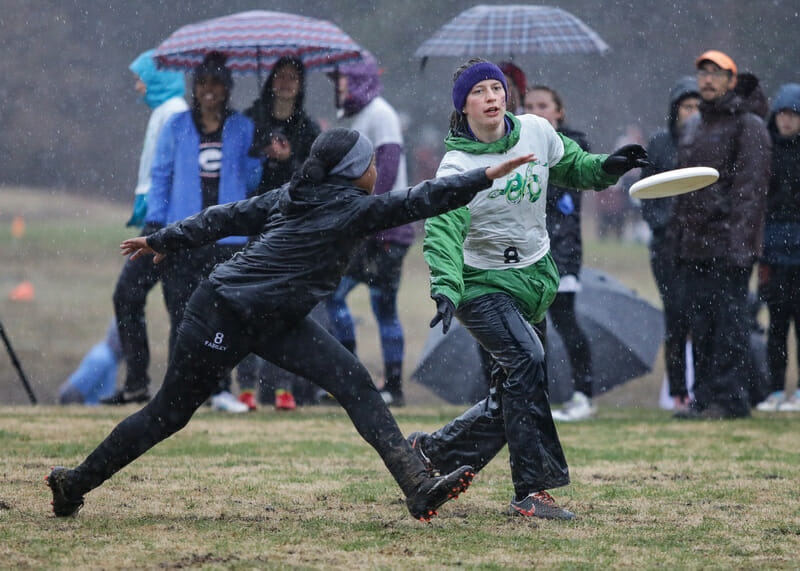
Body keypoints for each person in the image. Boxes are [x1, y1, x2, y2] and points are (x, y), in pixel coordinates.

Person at [45, 127, 536, 521]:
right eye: (369, 164)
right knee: (167, 416)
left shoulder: (301, 195)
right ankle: (74, 483)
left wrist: (166, 238)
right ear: (352, 173)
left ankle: (417, 486)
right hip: (222, 312)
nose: (375, 171)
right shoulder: (347, 208)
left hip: (275, 319)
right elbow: (422, 199)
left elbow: (225, 216)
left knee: (356, 383)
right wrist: (485, 174)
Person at [407, 59, 648, 520]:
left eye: (496, 87)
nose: (492, 97)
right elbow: (442, 231)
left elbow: (574, 166)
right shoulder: (458, 166)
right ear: (463, 106)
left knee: (515, 388)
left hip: (532, 280)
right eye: (478, 91)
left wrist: (609, 166)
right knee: (527, 363)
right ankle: (530, 491)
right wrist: (445, 287)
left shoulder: (537, 131)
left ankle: (430, 450)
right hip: (480, 284)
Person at [106, 51, 262, 413]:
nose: (210, 90)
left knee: (222, 315)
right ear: (195, 87)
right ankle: (179, 389)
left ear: (227, 88)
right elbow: (161, 176)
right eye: (203, 83)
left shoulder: (243, 127)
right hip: (184, 234)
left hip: (227, 238)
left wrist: (259, 155)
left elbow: (252, 179)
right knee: (183, 314)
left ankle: (219, 387)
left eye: (217, 83)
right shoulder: (177, 126)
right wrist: (158, 226)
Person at [59, 49, 188, 406]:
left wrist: (160, 226)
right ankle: (152, 384)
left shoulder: (173, 113)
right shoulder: (165, 112)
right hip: (161, 223)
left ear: (158, 78)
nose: (137, 86)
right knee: (168, 303)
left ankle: (147, 383)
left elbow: (169, 175)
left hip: (166, 225)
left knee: (143, 297)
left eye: (141, 77)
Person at [668, 50, 771, 419]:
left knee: (729, 326)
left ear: (732, 79)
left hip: (729, 247)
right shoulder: (694, 125)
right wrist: (678, 240)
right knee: (701, 325)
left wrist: (740, 248)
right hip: (694, 247)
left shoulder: (749, 126)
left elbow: (750, 192)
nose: (707, 79)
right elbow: (683, 189)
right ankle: (704, 397)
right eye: (702, 73)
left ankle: (731, 399)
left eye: (716, 73)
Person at [324, 53, 412, 406]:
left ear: (358, 77)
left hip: (384, 232)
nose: (339, 84)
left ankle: (392, 386)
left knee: (382, 307)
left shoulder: (381, 113)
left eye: (343, 78)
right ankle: (351, 379)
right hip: (360, 228)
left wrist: (368, 215)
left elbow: (387, 169)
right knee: (334, 296)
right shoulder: (352, 114)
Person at [237, 56, 322, 411]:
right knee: (247, 305)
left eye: (293, 77)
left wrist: (288, 161)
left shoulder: (308, 127)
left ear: (301, 85)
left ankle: (282, 385)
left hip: (291, 226)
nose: (286, 83)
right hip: (254, 221)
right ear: (270, 80)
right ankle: (246, 387)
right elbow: (238, 166)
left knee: (284, 307)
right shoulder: (249, 120)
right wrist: (263, 157)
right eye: (280, 76)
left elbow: (316, 177)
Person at [525, 84, 597, 421]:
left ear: (559, 112)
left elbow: (555, 192)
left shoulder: (572, 145)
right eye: (528, 105)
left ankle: (584, 393)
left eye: (543, 105)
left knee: (565, 322)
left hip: (561, 250)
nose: (535, 111)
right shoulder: (519, 145)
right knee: (532, 330)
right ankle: (537, 394)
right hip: (528, 252)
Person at [640, 76, 701, 411]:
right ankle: (678, 391)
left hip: (701, 244)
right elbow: (646, 191)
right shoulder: (661, 143)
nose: (692, 112)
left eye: (697, 106)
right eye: (686, 105)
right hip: (667, 247)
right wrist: (664, 223)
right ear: (675, 109)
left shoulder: (710, 142)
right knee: (676, 319)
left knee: (703, 317)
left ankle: (702, 389)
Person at [756, 83, 800, 412]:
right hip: (773, 250)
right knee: (777, 323)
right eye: (783, 114)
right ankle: (774, 389)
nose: (787, 121)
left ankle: (797, 391)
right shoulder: (765, 149)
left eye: (793, 115)